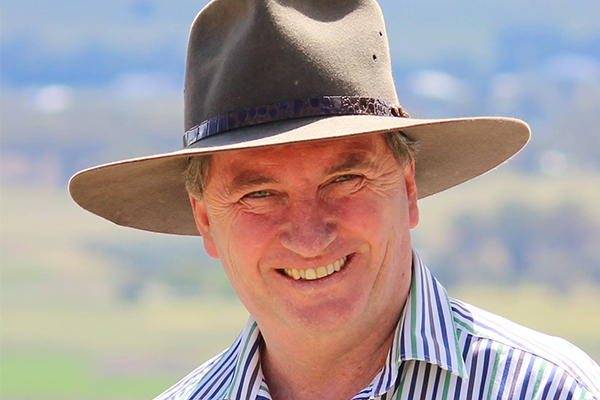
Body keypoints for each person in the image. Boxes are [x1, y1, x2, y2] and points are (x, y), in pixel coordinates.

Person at [69, 0, 600, 399]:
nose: (309, 235)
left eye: (345, 179)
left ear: (408, 186)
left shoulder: (548, 390)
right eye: (259, 194)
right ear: (205, 220)